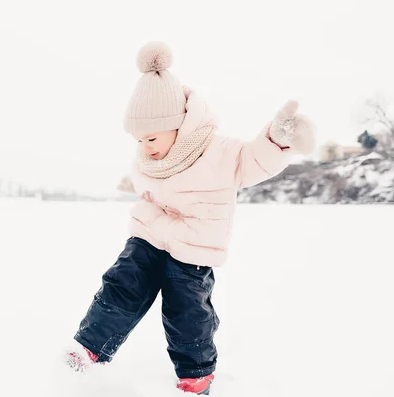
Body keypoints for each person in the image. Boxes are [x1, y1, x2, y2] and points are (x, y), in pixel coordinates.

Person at [65, 41, 316, 395]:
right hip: (149, 234)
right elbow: (147, 181)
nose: (145, 146)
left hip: (195, 246)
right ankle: (90, 347)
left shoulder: (219, 149)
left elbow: (253, 161)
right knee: (121, 284)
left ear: (178, 125)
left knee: (186, 312)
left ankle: (196, 373)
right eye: (139, 139)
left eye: (151, 137)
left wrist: (276, 140)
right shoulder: (150, 153)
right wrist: (133, 183)